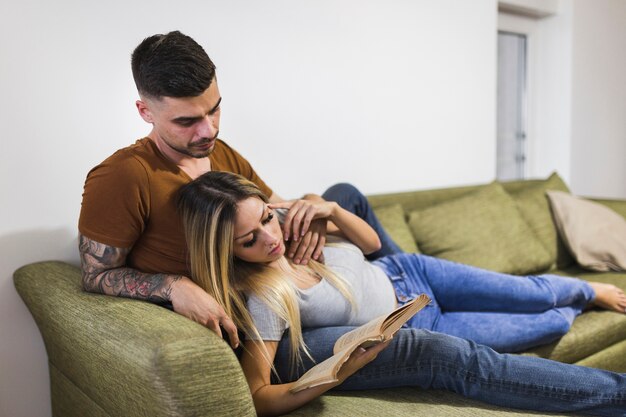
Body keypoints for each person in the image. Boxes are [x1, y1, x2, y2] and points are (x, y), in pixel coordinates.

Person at [176, 170, 626, 416]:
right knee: (550, 320)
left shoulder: (295, 233)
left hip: (408, 270)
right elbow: (257, 395)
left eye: (267, 219)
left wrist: (327, 209)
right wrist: (333, 373)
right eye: (248, 240)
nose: (268, 239)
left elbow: (372, 246)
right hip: (419, 320)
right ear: (224, 251)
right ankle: (576, 301)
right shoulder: (265, 298)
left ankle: (591, 286)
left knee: (533, 293)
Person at [78, 31, 396, 347]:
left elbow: (274, 210)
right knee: (416, 344)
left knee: (342, 195)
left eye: (214, 109)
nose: (209, 129)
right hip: (266, 321)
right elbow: (95, 275)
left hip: (294, 279)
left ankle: (401, 275)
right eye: (187, 121)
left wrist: (313, 205)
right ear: (145, 111)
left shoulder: (219, 152)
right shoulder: (122, 176)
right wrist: (174, 286)